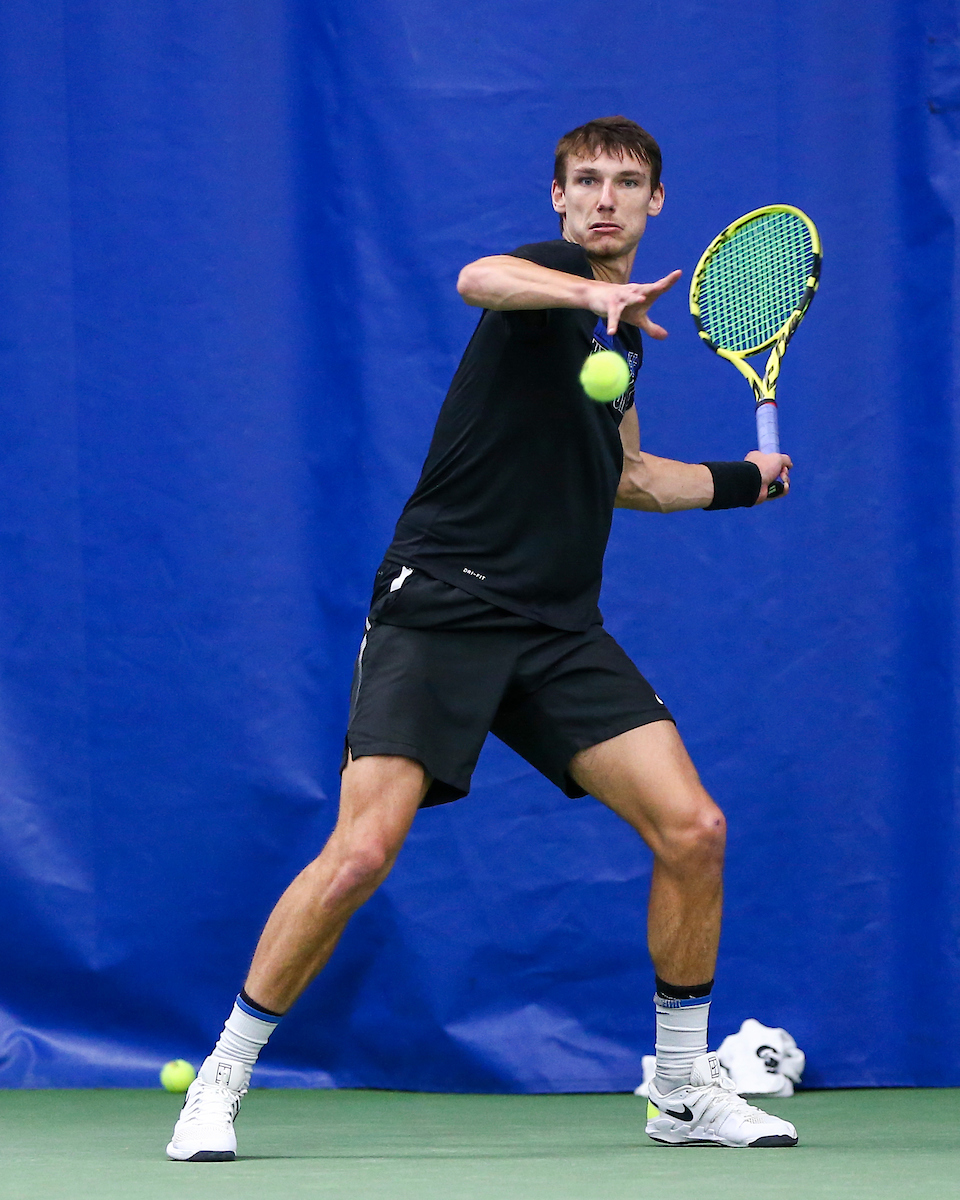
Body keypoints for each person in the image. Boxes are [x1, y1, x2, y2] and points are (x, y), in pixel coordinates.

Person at [166, 115, 798, 1161]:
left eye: (625, 183)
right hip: (442, 607)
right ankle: (222, 1077)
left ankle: (683, 1090)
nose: (603, 198)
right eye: (584, 181)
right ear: (557, 200)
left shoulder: (623, 341)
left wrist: (743, 482)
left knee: (693, 830)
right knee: (362, 852)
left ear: (657, 205)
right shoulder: (550, 279)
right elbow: (476, 276)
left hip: (556, 628)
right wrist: (591, 292)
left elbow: (632, 477)